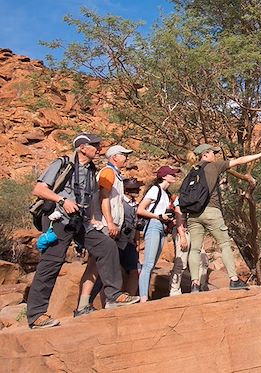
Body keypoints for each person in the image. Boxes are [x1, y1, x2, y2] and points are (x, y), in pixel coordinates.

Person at [26, 134, 139, 329]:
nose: (99, 148)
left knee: (106, 245)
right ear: (82, 148)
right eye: (94, 145)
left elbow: (89, 198)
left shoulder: (91, 170)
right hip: (58, 219)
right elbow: (39, 189)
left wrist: (94, 220)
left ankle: (113, 296)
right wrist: (62, 201)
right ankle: (36, 315)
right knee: (51, 263)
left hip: (81, 222)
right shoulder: (63, 163)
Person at [185, 144, 261, 292]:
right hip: (212, 212)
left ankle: (194, 284)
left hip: (193, 214)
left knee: (194, 249)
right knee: (224, 244)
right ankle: (233, 280)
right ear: (205, 154)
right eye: (213, 153)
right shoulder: (214, 166)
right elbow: (240, 160)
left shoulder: (192, 172)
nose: (215, 155)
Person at [75, 143, 133, 316]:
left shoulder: (114, 174)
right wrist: (110, 222)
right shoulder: (108, 172)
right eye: (123, 154)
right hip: (104, 225)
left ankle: (83, 305)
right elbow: (103, 197)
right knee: (103, 263)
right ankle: (111, 299)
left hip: (104, 224)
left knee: (94, 265)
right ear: (114, 157)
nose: (126, 158)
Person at [137, 165, 181, 301]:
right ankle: (143, 297)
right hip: (153, 226)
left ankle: (145, 296)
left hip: (162, 227)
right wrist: (159, 217)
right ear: (164, 176)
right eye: (171, 174)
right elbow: (140, 210)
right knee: (149, 263)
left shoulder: (166, 194)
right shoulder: (155, 189)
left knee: (152, 262)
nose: (174, 176)